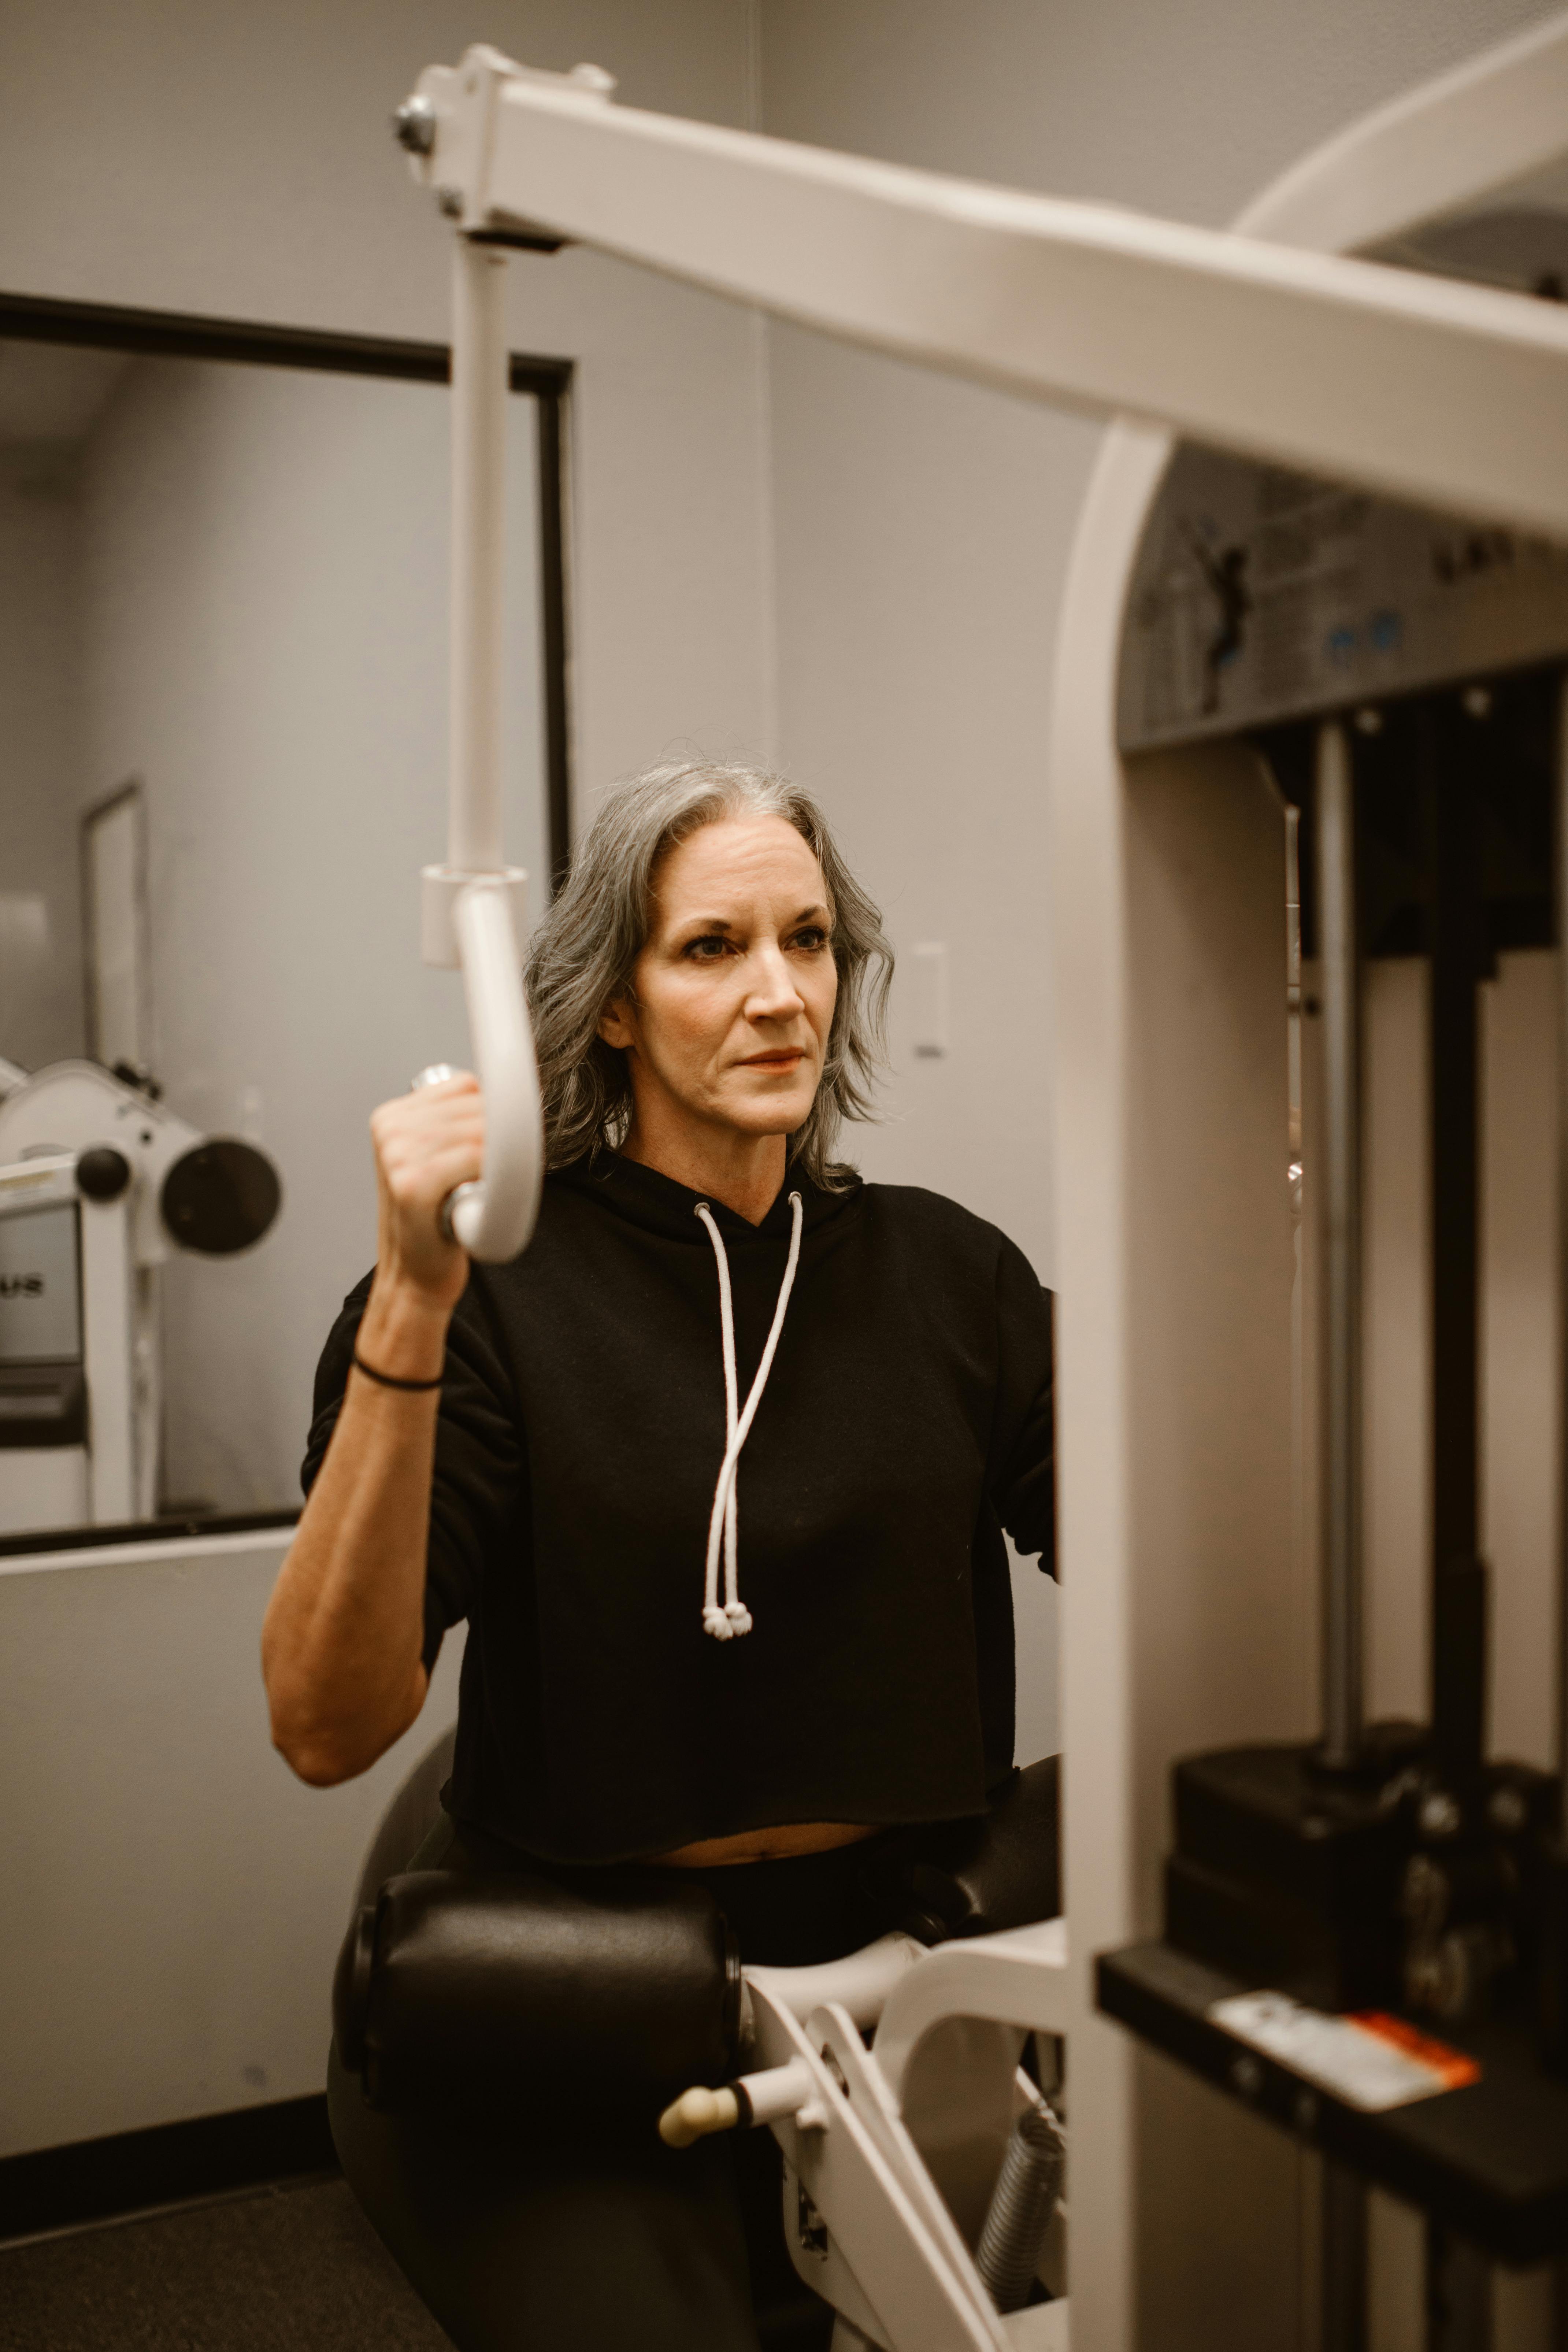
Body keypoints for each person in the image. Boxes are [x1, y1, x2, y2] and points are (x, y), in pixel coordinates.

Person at [262, 758, 1055, 2352]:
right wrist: (415, 1299)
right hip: (585, 1979)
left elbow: (1182, 1569)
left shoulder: (949, 1276)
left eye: (812, 940)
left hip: (908, 1961)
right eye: (712, 948)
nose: (782, 994)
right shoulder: (502, 1291)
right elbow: (327, 1724)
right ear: (611, 1001)